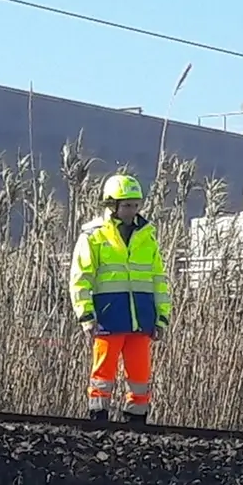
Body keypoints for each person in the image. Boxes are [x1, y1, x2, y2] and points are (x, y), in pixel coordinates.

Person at [68, 170, 169, 425]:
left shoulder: (148, 236)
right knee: (103, 371)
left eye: (135, 205)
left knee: (140, 374)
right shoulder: (93, 235)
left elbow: (159, 279)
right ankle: (98, 417)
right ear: (111, 205)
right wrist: (86, 315)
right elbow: (80, 277)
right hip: (108, 316)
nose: (132, 210)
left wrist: (162, 317)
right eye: (126, 205)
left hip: (142, 318)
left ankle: (137, 421)